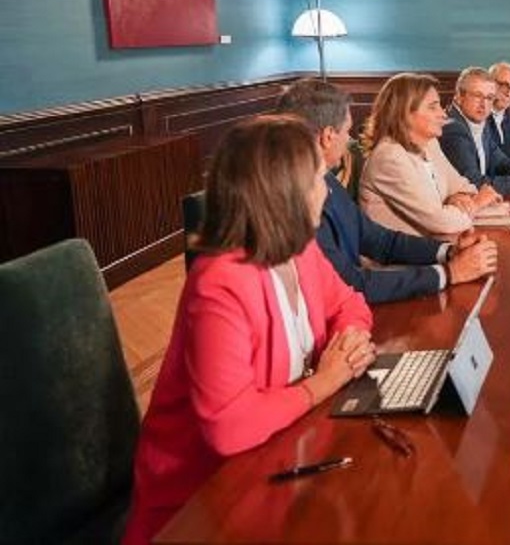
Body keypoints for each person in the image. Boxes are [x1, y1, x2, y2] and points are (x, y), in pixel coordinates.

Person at [123, 116, 377, 544]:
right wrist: (327, 380)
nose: (327, 188)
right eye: (319, 177)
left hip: (282, 453)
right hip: (202, 499)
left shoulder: (300, 249)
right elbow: (228, 428)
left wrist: (348, 341)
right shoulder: (220, 281)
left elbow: (350, 302)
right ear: (285, 193)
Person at [276, 79, 498, 303]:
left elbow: (379, 240)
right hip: (365, 300)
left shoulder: (326, 179)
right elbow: (350, 282)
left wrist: (448, 252)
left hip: (373, 293)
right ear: (328, 137)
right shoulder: (295, 199)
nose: (349, 140)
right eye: (347, 131)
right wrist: (451, 273)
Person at [359, 72, 500, 237]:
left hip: (438, 247)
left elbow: (463, 186)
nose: (443, 114)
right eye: (433, 107)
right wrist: (477, 203)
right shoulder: (389, 157)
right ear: (405, 112)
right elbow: (441, 222)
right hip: (402, 260)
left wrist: (455, 197)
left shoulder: (429, 145)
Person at [440, 66, 510, 197]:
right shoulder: (453, 129)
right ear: (459, 96)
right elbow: (473, 183)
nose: (484, 105)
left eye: (489, 98)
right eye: (478, 96)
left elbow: (499, 159)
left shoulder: (477, 121)